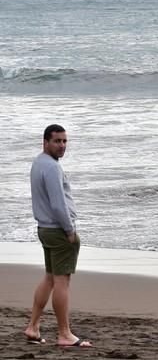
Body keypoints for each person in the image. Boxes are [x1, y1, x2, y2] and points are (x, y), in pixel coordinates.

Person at [24, 124, 92, 347]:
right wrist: (70, 230)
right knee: (62, 281)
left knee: (50, 277)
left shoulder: (38, 162)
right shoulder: (51, 167)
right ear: (45, 142)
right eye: (57, 141)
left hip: (45, 228)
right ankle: (64, 333)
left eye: (64, 141)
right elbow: (58, 204)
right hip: (58, 230)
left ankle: (33, 326)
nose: (62, 146)